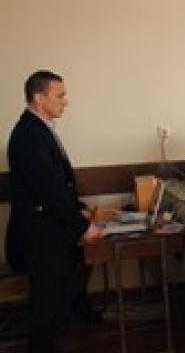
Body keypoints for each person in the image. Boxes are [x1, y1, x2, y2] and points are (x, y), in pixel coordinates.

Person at [6, 70, 104, 353]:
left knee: (57, 295)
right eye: (60, 96)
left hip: (51, 230)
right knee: (45, 303)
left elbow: (59, 186)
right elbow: (48, 192)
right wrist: (82, 227)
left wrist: (80, 211)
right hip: (40, 236)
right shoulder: (29, 135)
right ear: (39, 98)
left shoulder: (39, 129)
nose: (65, 101)